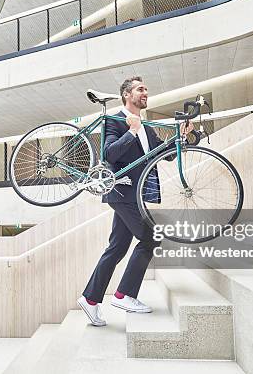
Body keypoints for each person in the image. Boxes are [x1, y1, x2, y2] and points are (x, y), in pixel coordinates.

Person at [77, 76, 193, 326]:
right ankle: (125, 294)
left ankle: (90, 299)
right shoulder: (116, 121)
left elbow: (166, 156)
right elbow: (109, 153)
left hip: (134, 196)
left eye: (146, 89)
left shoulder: (147, 128)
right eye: (140, 89)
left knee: (117, 248)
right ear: (127, 95)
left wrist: (181, 138)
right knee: (151, 237)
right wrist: (131, 130)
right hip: (122, 192)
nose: (145, 93)